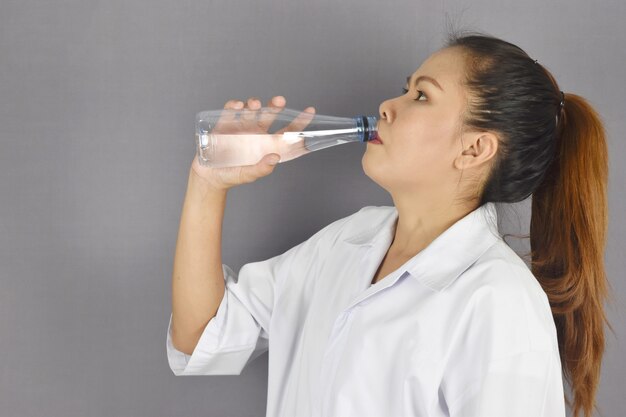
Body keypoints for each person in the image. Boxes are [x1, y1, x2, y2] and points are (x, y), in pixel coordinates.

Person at [167, 30, 611, 417]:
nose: (386, 105)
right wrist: (208, 185)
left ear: (475, 149)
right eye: (405, 89)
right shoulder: (346, 242)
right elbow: (201, 334)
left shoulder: (498, 302)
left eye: (421, 95)